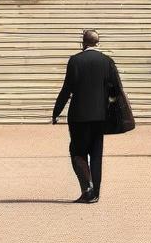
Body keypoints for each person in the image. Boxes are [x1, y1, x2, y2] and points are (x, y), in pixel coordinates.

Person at [52, 29, 123, 204]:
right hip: (100, 115)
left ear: (83, 43)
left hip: (79, 115)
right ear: (98, 42)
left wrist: (56, 111)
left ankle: (87, 187)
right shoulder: (107, 61)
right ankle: (96, 193)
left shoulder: (75, 60)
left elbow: (66, 89)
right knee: (96, 154)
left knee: (77, 151)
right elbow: (115, 89)